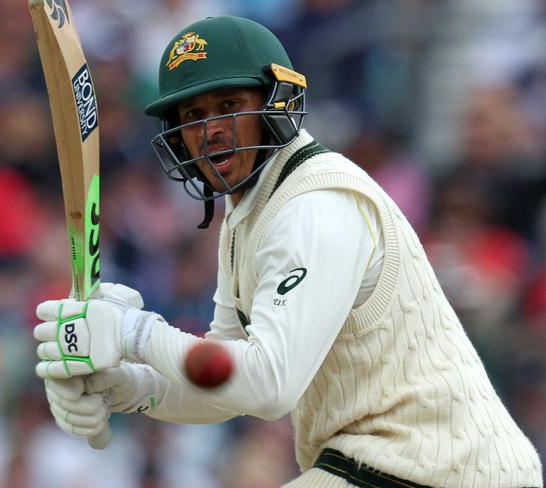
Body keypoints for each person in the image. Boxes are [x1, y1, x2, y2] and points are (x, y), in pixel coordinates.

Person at [33, 16, 543, 487]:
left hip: (438, 470)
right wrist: (131, 389)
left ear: (276, 103)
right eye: (193, 114)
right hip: (390, 468)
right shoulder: (250, 212)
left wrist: (133, 333)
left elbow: (266, 385)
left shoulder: (315, 205)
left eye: (230, 106)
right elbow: (225, 384)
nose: (210, 129)